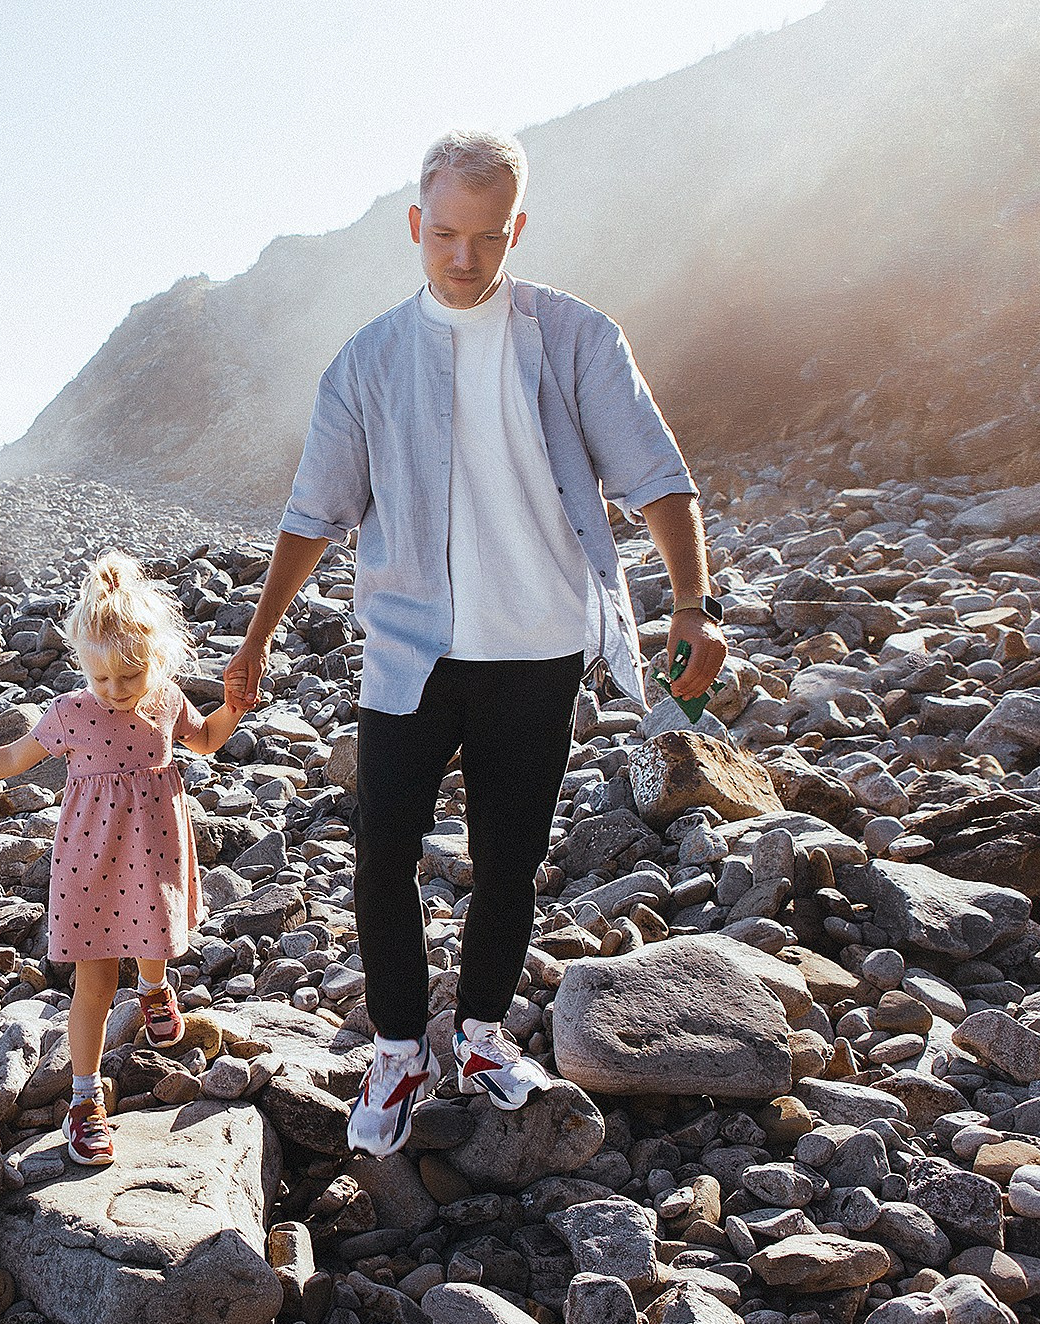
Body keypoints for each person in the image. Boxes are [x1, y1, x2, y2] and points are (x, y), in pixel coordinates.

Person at [224, 129, 728, 1157]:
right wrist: (255, 641)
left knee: (510, 860)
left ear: (516, 229)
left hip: (536, 646)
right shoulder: (364, 362)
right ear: (415, 225)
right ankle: (401, 1047)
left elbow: (653, 474)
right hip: (410, 648)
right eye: (443, 234)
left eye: (485, 236)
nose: (463, 257)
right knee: (379, 852)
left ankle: (485, 1035)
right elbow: (312, 512)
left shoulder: (577, 338)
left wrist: (691, 605)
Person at [0, 549, 249, 1166]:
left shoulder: (166, 701)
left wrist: (234, 705)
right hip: (90, 862)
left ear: (157, 660)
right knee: (93, 977)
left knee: (154, 940)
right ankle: (84, 1100)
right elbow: (12, 760)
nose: (116, 691)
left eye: (131, 676)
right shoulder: (71, 714)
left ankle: (155, 988)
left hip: (153, 849)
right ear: (83, 665)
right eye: (102, 678)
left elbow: (210, 741)